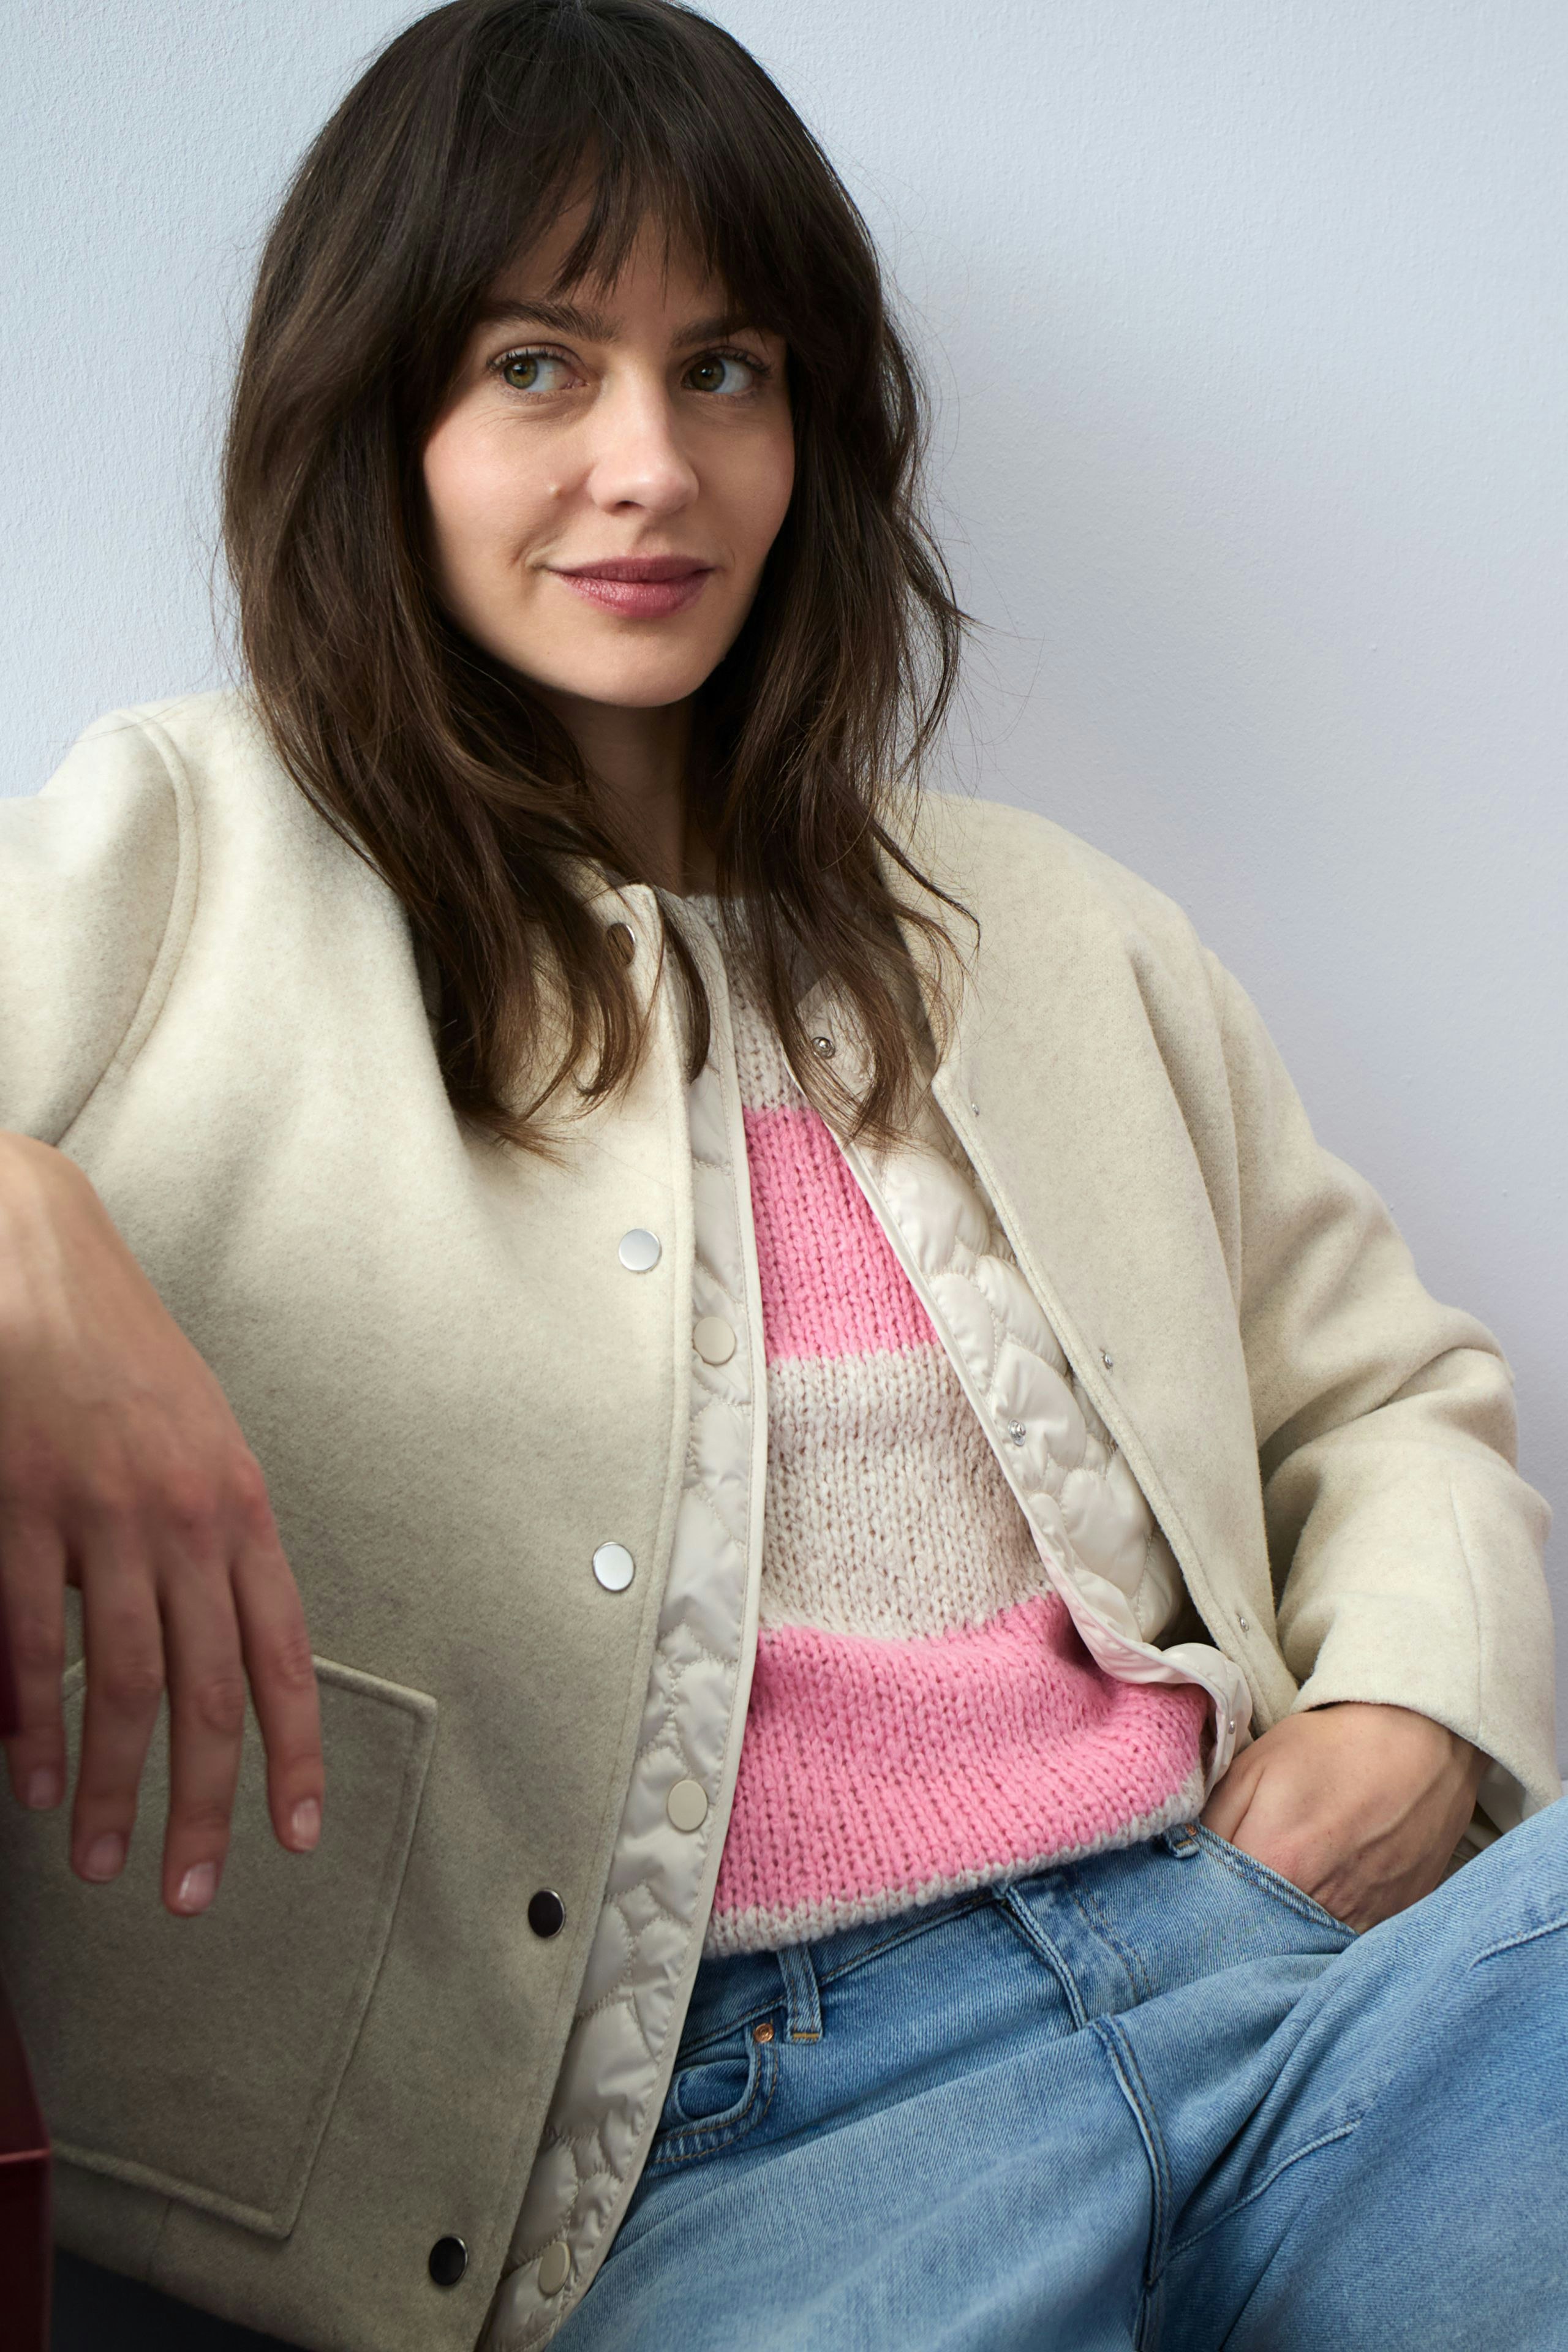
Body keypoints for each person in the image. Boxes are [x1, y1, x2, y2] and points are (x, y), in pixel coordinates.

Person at [1, 3, 1561, 2348]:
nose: (649, 463)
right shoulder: (174, 854)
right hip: (711, 2170)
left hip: (1273, 1989)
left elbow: (1387, 1398)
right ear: (384, 421)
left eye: (722, 369)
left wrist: (1410, 1730)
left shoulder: (1050, 925)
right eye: (539, 364)